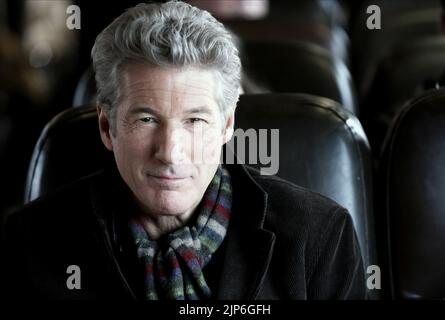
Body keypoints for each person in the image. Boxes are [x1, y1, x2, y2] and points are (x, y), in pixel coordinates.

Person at [1, 1, 366, 300]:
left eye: (195, 121)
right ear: (107, 127)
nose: (171, 153)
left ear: (226, 126)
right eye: (146, 119)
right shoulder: (27, 242)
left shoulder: (319, 237)